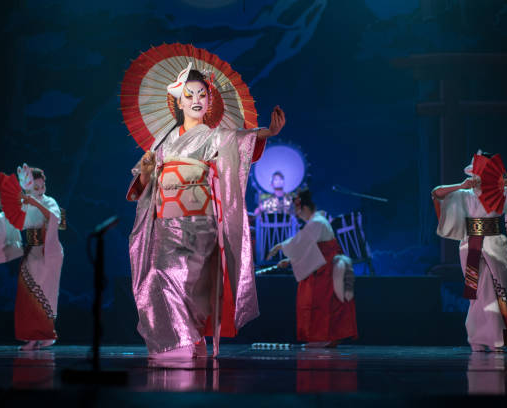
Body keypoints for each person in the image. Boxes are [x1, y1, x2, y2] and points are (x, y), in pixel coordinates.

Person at [126, 63, 286, 360]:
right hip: (165, 220)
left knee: (191, 282)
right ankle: (184, 340)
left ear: (209, 100)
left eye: (202, 94)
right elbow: (143, 185)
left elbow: (244, 138)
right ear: (178, 101)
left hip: (199, 221)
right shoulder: (163, 141)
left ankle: (187, 340)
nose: (196, 99)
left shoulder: (216, 136)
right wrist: (148, 171)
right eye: (189, 95)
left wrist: (268, 132)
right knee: (158, 274)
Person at [432, 151, 507, 351]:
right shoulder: (465, 193)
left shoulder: (502, 191)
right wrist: (460, 185)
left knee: (499, 287)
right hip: (470, 243)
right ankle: (478, 338)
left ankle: (499, 337)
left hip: (494, 242)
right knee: (476, 291)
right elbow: (437, 192)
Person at [0, 164, 64, 351]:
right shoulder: (22, 205)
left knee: (46, 294)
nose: (41, 190)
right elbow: (1, 222)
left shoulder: (49, 201)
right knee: (27, 295)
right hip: (32, 252)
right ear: (28, 187)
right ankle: (31, 337)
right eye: (36, 187)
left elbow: (55, 220)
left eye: (42, 186)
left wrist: (35, 202)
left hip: (49, 253)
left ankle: (45, 335)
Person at [267, 188, 358, 347]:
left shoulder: (317, 222)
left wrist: (280, 246)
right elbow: (310, 248)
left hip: (326, 269)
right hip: (323, 265)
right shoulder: (318, 221)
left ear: (304, 208)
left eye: (297, 210)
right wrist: (289, 260)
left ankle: (325, 337)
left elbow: (301, 243)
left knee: (322, 303)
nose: (297, 215)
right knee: (319, 301)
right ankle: (323, 338)